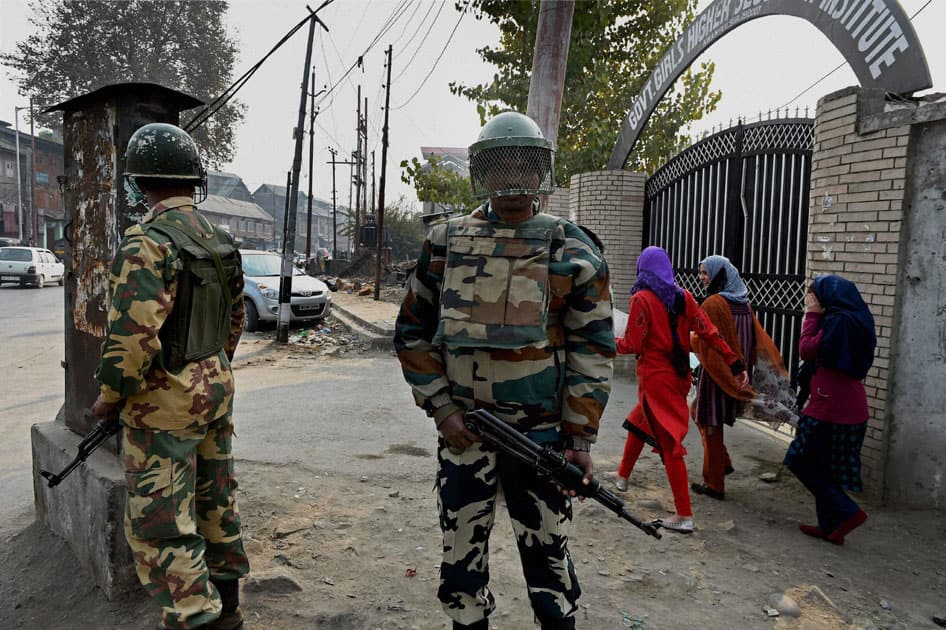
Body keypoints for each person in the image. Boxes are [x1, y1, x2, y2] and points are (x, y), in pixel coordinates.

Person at [394, 111, 614, 630]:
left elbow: (593, 346)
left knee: (549, 562)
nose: (512, 176)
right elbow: (411, 332)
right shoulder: (444, 243)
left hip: (543, 439)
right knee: (461, 564)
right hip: (466, 432)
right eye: (500, 164)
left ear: (542, 172)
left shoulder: (572, 248)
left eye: (524, 163)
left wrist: (579, 437)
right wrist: (444, 409)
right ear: (482, 172)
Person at [91, 123, 249, 630]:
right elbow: (235, 318)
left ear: (140, 183)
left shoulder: (146, 243)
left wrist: (109, 399)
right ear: (193, 179)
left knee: (161, 523)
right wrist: (211, 367)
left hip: (164, 406)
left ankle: (195, 618)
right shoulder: (220, 237)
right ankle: (229, 611)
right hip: (215, 390)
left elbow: (131, 339)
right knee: (215, 501)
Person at [611, 246, 748, 533]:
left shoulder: (641, 299)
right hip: (679, 376)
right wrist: (734, 362)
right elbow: (708, 331)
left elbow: (634, 344)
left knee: (670, 444)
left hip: (655, 380)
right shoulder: (683, 296)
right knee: (640, 421)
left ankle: (684, 515)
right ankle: (622, 475)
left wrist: (608, 342)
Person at [690, 255, 792, 500]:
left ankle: (714, 484)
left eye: (706, 273)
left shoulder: (713, 304)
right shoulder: (744, 304)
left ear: (720, 275)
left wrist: (691, 337)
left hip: (716, 374)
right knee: (699, 414)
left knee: (710, 422)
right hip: (736, 374)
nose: (701, 278)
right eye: (701, 272)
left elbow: (704, 340)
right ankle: (722, 462)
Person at [784, 275, 875, 545]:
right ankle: (829, 526)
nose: (812, 302)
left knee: (798, 459)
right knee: (825, 466)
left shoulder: (839, 323)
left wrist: (811, 316)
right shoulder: (858, 319)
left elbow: (807, 349)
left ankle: (848, 512)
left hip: (831, 407)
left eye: (815, 297)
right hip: (851, 406)